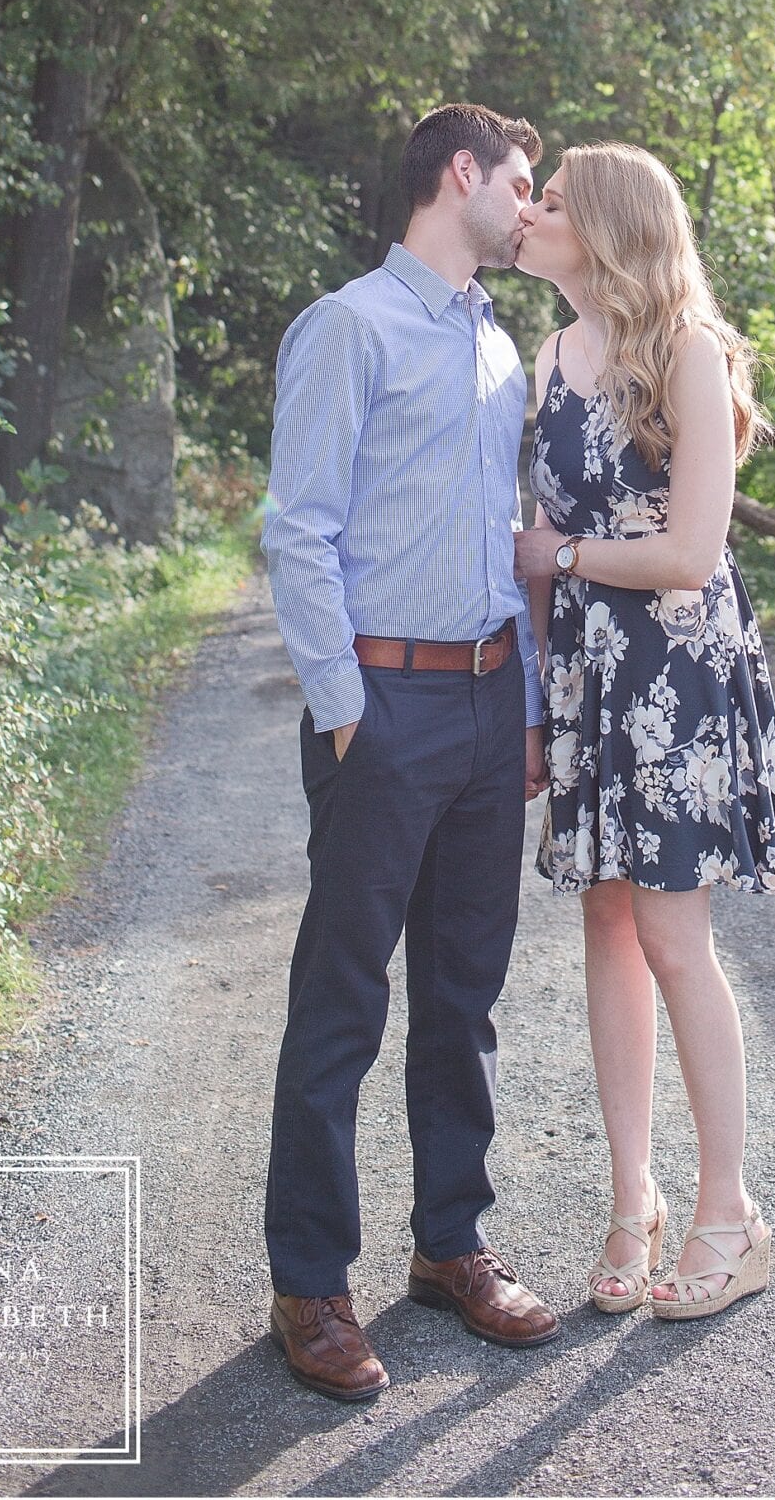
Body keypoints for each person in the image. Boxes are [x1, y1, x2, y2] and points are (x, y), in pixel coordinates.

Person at [261, 103, 559, 1401]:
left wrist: (532, 703)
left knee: (465, 995)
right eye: (522, 180)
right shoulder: (349, 328)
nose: (530, 203)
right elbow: (299, 530)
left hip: (492, 710)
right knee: (344, 1000)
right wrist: (343, 707)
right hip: (383, 707)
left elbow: (503, 536)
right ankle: (310, 1285)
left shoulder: (500, 348)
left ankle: (452, 1245)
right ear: (462, 175)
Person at [513, 142, 775, 1321]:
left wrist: (567, 555)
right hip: (588, 673)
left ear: (608, 226)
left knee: (676, 939)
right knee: (607, 920)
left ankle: (729, 1213)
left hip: (675, 673)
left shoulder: (688, 352)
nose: (527, 214)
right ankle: (630, 1196)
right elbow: (534, 541)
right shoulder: (549, 354)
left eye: (550, 201)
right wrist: (536, 702)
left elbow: (690, 552)